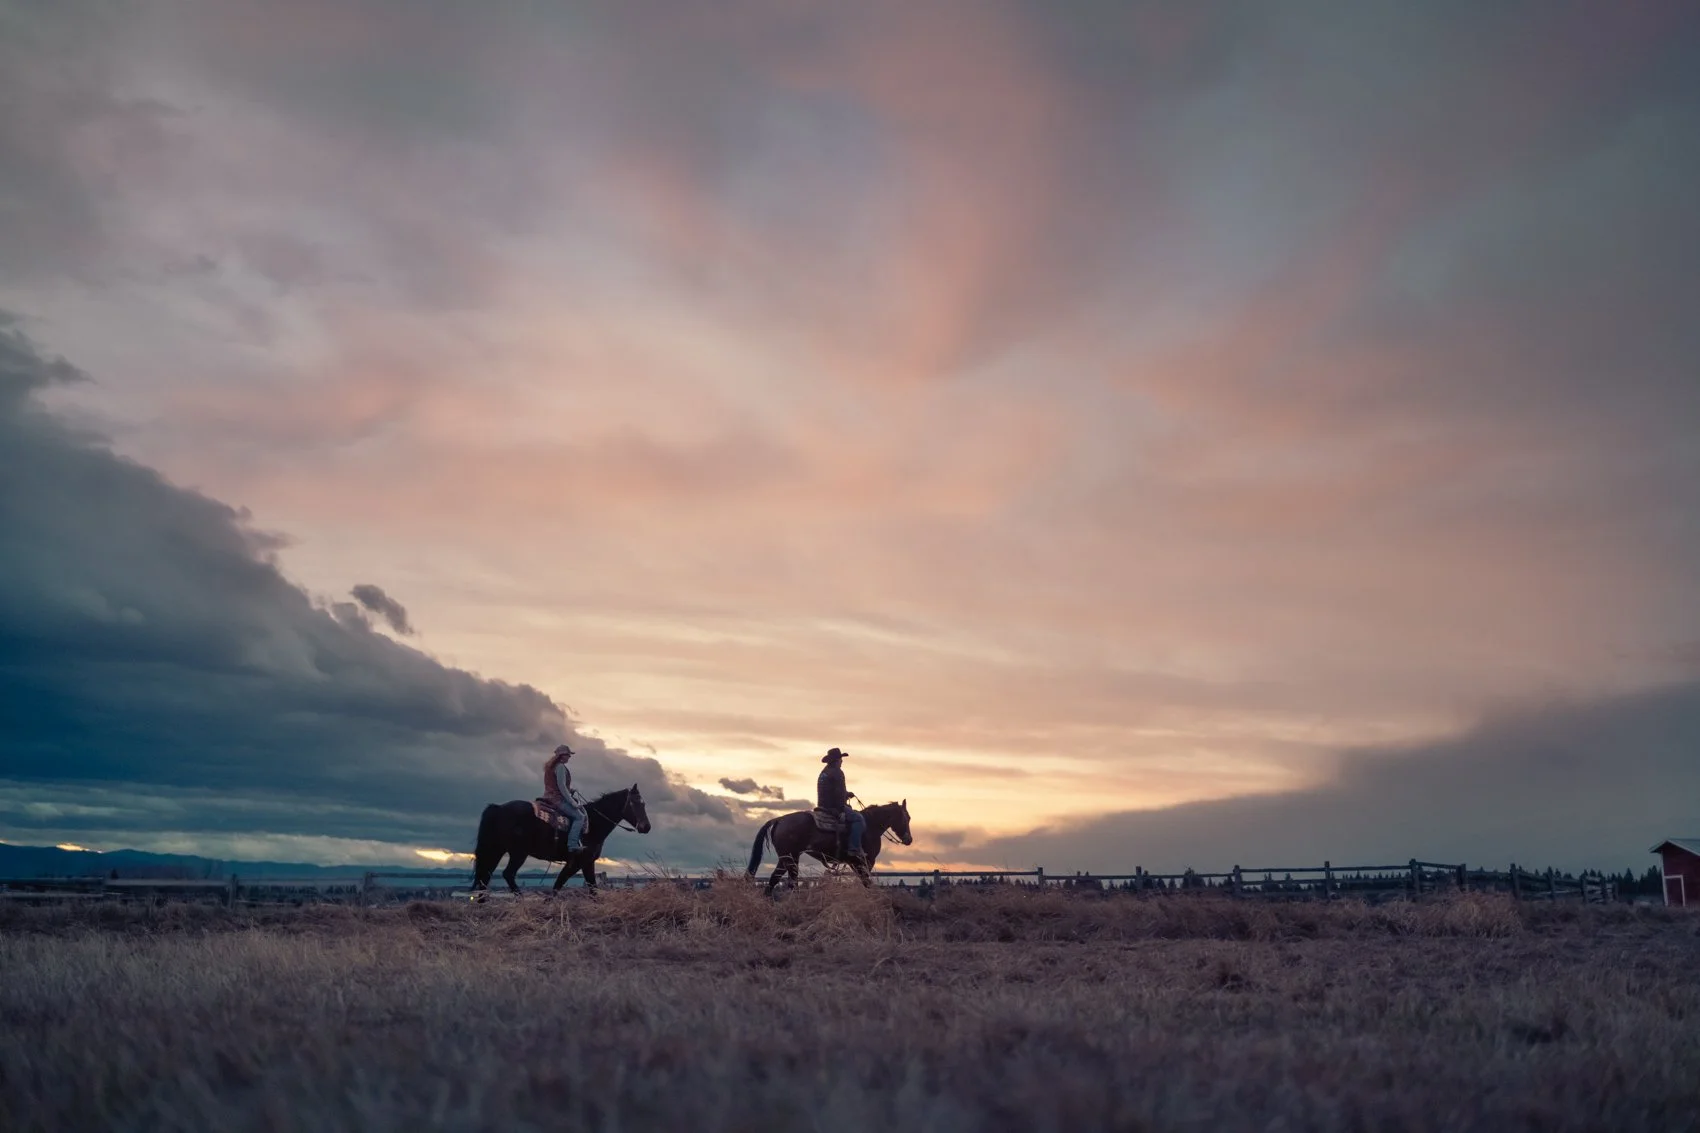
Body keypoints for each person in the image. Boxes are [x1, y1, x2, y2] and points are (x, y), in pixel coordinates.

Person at [816, 747, 866, 865]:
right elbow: (838, 792)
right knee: (858, 819)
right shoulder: (838, 772)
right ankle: (853, 849)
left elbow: (831, 790)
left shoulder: (825, 772)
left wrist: (846, 794)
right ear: (837, 760)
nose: (842, 761)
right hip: (833, 807)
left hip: (823, 805)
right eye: (840, 759)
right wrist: (841, 810)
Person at [542, 743, 586, 852]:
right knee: (580, 817)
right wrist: (572, 802)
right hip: (557, 799)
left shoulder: (550, 767)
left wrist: (570, 790)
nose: (569, 757)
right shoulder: (560, 767)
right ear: (562, 756)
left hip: (547, 797)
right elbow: (561, 786)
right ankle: (572, 845)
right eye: (568, 755)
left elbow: (555, 785)